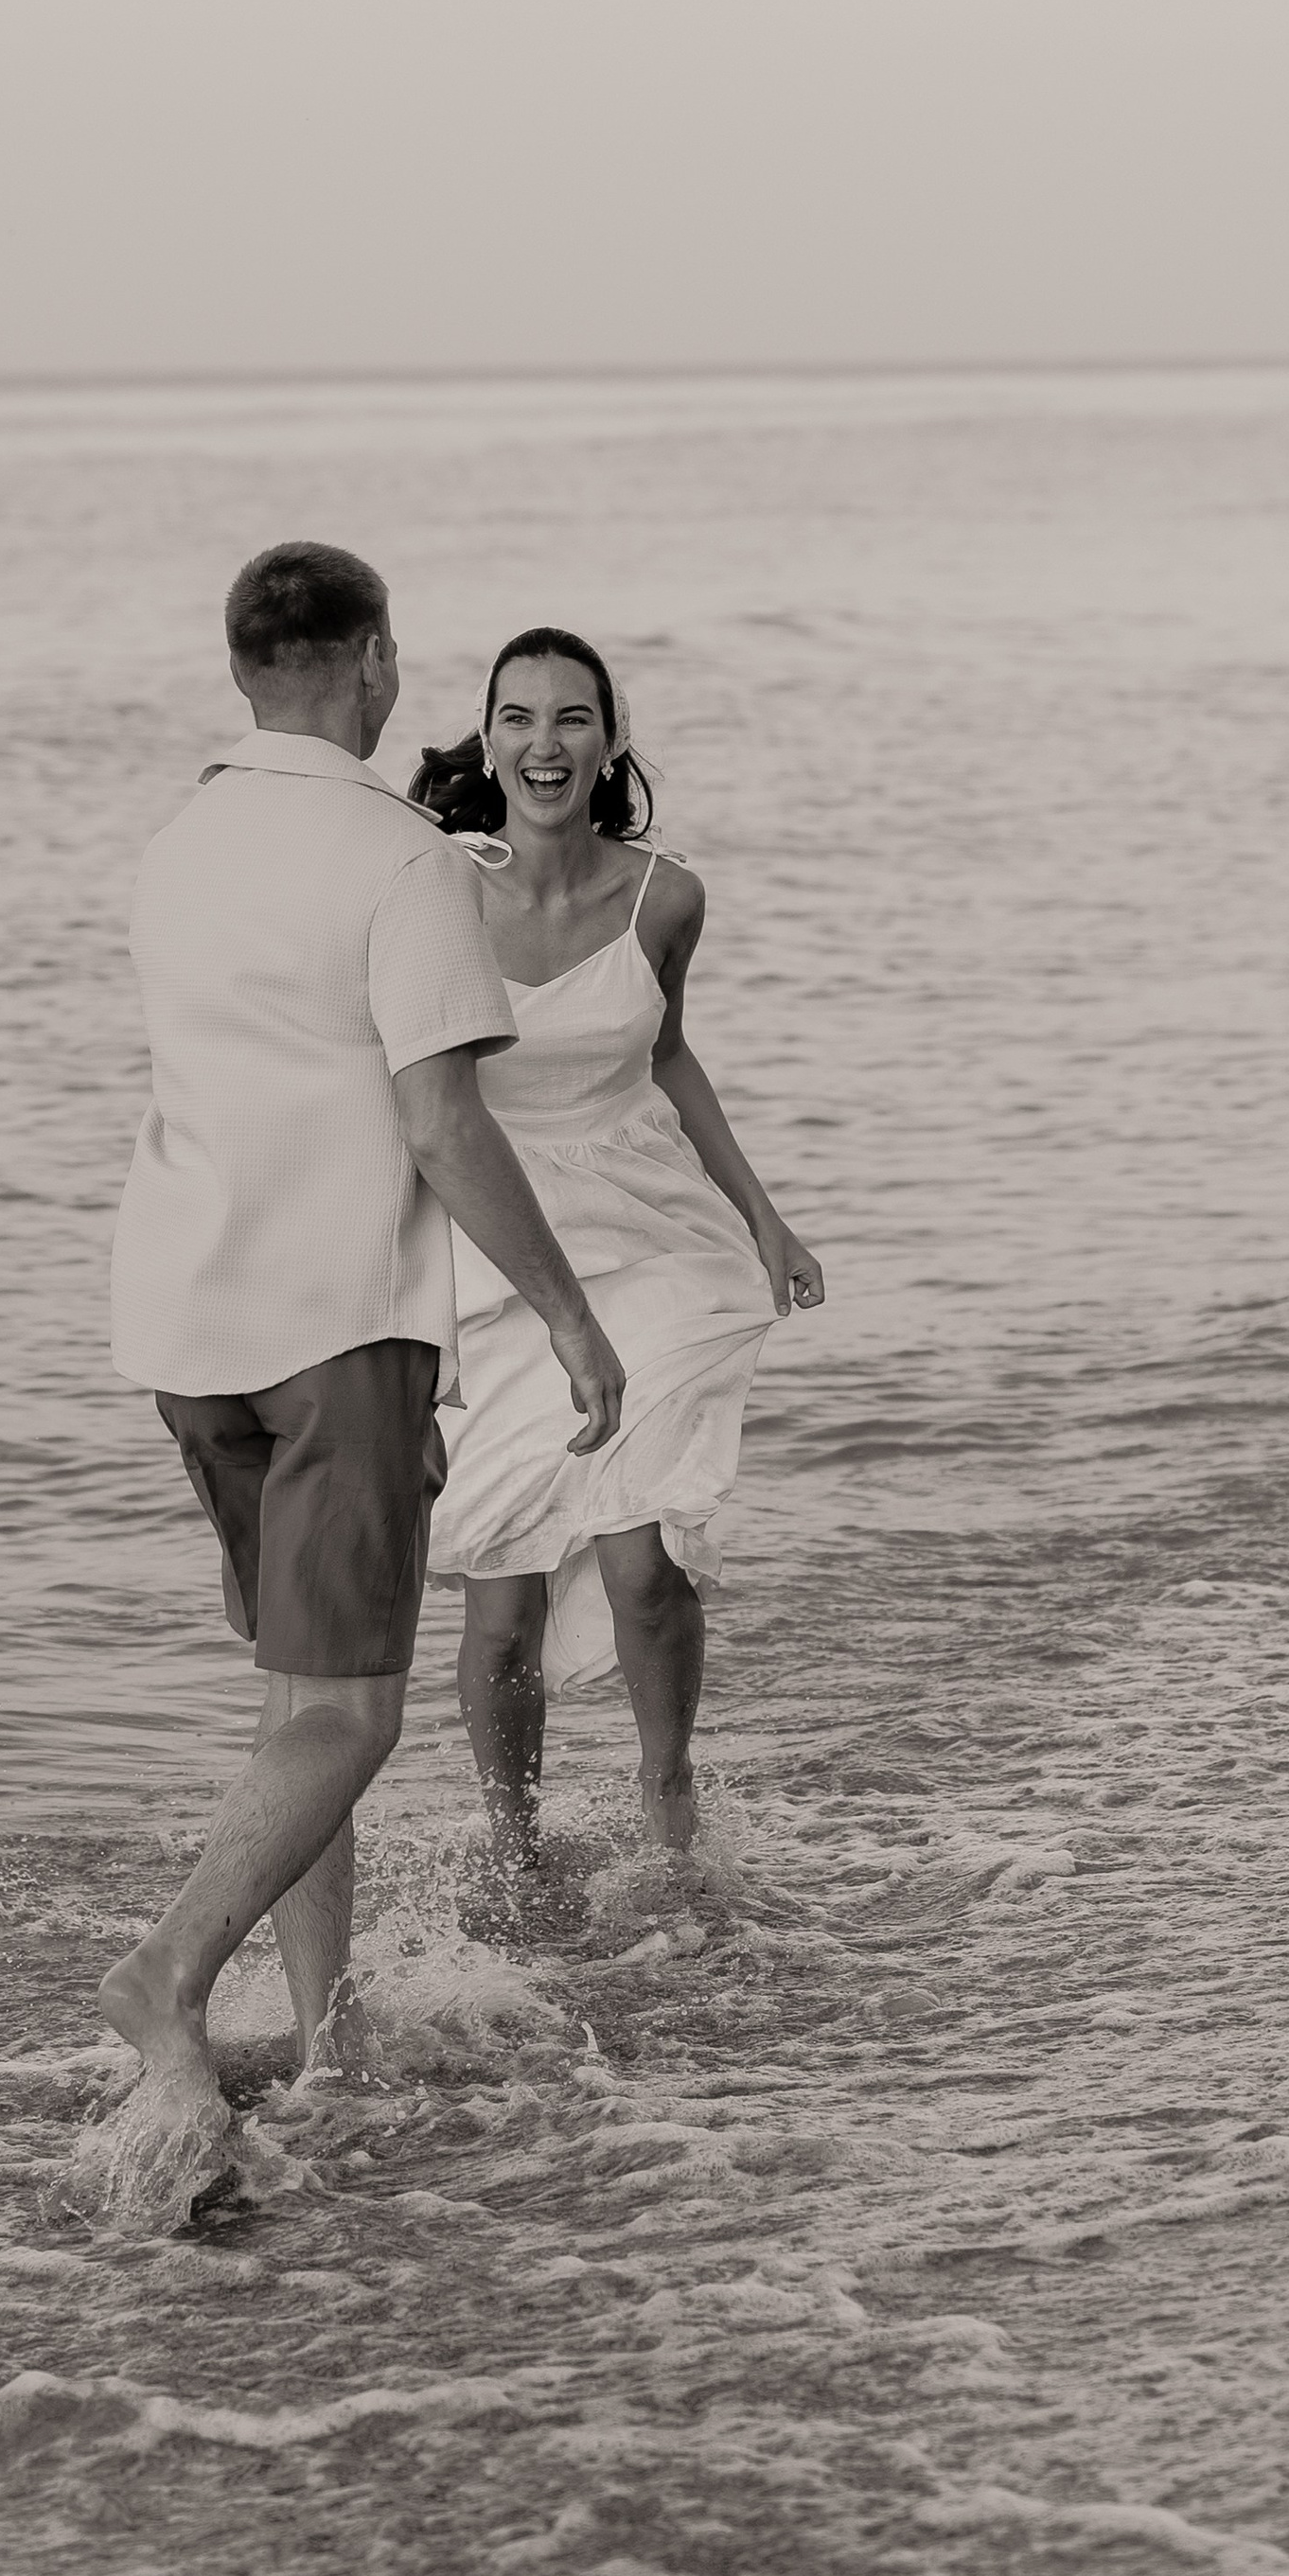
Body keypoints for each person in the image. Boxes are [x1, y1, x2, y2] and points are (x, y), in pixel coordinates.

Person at [97, 547, 625, 2203]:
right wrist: (570, 1317)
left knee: (295, 1698)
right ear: (377, 662)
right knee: (349, 1713)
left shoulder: (172, 847)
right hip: (334, 1329)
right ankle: (167, 1978)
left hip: (188, 1327)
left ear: (246, 665)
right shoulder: (399, 860)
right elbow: (442, 1124)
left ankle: (324, 2035)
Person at [409, 627, 822, 1868]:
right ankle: (514, 1835)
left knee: (642, 1560)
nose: (545, 743)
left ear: (611, 739)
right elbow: (407, 1100)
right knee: (500, 1594)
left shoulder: (666, 895)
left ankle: (665, 1793)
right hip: (495, 1266)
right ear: (489, 737)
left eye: (572, 718)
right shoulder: (432, 891)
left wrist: (763, 1212)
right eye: (520, 717)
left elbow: (668, 1055)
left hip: (650, 1245)